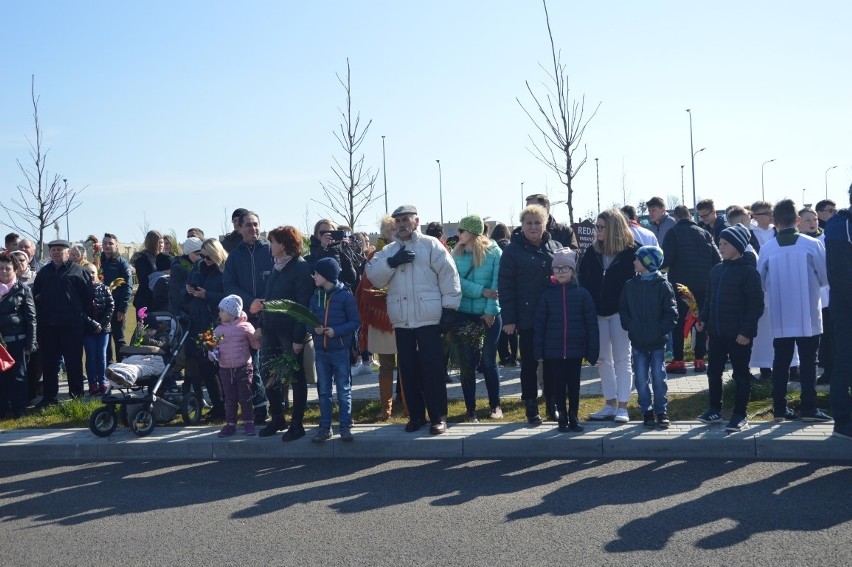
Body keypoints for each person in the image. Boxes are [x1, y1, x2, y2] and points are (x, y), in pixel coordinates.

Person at [365, 204, 461, 435]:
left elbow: (449, 276)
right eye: (398, 221)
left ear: (416, 221)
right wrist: (392, 262)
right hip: (402, 320)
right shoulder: (389, 251)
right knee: (407, 371)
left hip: (428, 319)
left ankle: (438, 416)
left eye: (406, 219)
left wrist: (449, 308)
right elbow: (373, 277)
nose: (402, 224)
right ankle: (416, 416)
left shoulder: (431, 245)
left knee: (433, 370)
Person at [757, 199, 831, 422]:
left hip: (780, 315)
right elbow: (825, 278)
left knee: (781, 362)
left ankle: (780, 408)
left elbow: (760, 281)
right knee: (810, 362)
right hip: (808, 313)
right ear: (798, 220)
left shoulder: (767, 248)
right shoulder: (812, 244)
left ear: (774, 221)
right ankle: (809, 408)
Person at [695, 225, 764, 430]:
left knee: (741, 375)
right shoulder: (716, 270)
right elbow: (709, 299)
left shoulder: (749, 272)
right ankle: (714, 409)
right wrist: (703, 319)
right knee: (713, 372)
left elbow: (756, 305)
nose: (720, 247)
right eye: (720, 244)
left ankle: (740, 414)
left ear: (738, 245)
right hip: (716, 333)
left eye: (725, 244)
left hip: (738, 336)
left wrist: (746, 332)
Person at [498, 204, 562, 424]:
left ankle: (551, 404)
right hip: (527, 318)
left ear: (545, 225)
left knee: (553, 363)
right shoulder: (512, 251)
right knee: (529, 365)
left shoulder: (555, 247)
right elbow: (505, 286)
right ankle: (531, 407)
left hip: (554, 318)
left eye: (538, 223)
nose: (533, 227)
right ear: (522, 225)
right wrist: (509, 319)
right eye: (529, 223)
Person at [579, 209, 639, 423]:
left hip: (621, 313)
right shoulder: (592, 252)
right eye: (596, 227)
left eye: (601, 227)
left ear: (613, 228)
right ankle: (610, 404)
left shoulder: (632, 252)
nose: (597, 231)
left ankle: (623, 406)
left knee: (623, 358)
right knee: (603, 359)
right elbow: (582, 280)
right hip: (597, 313)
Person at [254, 226, 313, 440]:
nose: (270, 246)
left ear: (284, 245)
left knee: (295, 377)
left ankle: (297, 423)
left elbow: (302, 306)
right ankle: (277, 418)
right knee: (269, 373)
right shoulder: (277, 266)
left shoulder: (300, 268)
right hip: (270, 329)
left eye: (272, 242)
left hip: (290, 333)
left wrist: (299, 338)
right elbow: (268, 299)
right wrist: (261, 324)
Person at [534, 248, 598, 432]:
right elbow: (540, 324)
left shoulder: (582, 294)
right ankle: (562, 415)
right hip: (553, 350)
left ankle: (574, 416)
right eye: (557, 268)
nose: (561, 272)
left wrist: (592, 350)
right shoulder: (547, 295)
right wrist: (538, 350)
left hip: (575, 349)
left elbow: (591, 324)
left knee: (574, 385)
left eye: (565, 268)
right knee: (558, 385)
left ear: (573, 271)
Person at [619, 245, 678, 428]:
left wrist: (659, 329)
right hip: (638, 342)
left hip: (657, 342)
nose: (634, 262)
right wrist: (631, 326)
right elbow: (624, 309)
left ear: (648, 263)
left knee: (659, 376)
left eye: (638, 259)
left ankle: (661, 410)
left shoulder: (663, 286)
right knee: (641, 378)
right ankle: (647, 410)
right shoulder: (630, 286)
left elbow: (672, 314)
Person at [452, 214, 503, 421]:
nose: (458, 234)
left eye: (461, 231)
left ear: (472, 232)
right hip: (464, 314)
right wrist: (482, 291)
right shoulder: (455, 253)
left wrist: (490, 311)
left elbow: (498, 285)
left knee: (489, 361)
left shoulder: (494, 252)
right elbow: (456, 284)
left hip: (489, 315)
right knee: (467, 364)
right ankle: (470, 409)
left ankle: (495, 406)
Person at [223, 210, 271, 424]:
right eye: (248, 225)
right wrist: (249, 301)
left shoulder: (270, 250)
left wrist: (264, 302)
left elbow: (278, 278)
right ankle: (260, 408)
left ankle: (278, 405)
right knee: (253, 365)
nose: (253, 229)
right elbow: (229, 285)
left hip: (270, 315)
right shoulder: (235, 255)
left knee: (272, 363)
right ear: (239, 228)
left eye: (256, 224)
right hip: (246, 319)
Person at [661, 205, 721, 374]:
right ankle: (699, 360)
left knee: (679, 321)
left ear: (676, 218)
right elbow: (717, 258)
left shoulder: (673, 233)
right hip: (703, 285)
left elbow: (667, 259)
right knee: (700, 321)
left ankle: (679, 361)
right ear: (689, 216)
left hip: (681, 286)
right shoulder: (704, 233)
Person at [355, 216, 404, 421]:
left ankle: (408, 405)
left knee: (407, 365)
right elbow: (367, 288)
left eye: (398, 229)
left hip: (403, 315)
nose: (396, 233)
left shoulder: (408, 252)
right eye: (393, 230)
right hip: (382, 320)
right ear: (385, 232)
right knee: (385, 366)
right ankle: (386, 408)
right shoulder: (375, 256)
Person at [32, 239, 92, 406]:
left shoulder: (79, 271)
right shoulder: (44, 272)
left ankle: (77, 397)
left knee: (73, 362)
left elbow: (88, 297)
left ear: (67, 252)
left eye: (59, 250)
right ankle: (49, 398)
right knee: (49, 363)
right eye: (53, 250)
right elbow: (36, 296)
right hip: (49, 326)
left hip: (71, 325)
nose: (56, 253)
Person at [308, 257, 360, 443]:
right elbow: (308, 319)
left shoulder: (345, 296)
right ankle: (325, 427)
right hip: (321, 352)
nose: (313, 276)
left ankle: (345, 426)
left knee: (343, 389)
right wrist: (313, 329)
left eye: (317, 273)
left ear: (327, 275)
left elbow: (355, 322)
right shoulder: (315, 296)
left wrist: (336, 332)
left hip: (339, 350)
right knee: (324, 391)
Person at [185, 238, 228, 421]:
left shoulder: (225, 270)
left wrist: (206, 295)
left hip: (215, 322)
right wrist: (188, 289)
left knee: (215, 366)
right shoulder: (199, 267)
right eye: (202, 256)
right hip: (198, 321)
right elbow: (188, 288)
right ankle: (218, 405)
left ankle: (224, 406)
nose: (205, 259)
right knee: (205, 367)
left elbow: (228, 298)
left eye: (209, 256)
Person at [211, 295, 260, 437]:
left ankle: (248, 422)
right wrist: (212, 353)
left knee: (246, 396)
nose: (219, 313)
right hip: (225, 368)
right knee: (230, 397)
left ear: (231, 313)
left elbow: (255, 344)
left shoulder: (245, 327)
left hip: (243, 367)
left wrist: (258, 338)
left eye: (222, 311)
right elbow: (214, 347)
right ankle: (230, 423)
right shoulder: (218, 330)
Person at [825, 184, 852, 440]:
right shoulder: (840, 225)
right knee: (846, 362)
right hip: (846, 308)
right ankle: (843, 423)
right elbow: (841, 275)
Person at [798, 208, 833, 385]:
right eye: (808, 220)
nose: (813, 223)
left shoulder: (826, 238)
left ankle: (828, 369)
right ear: (798, 222)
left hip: (826, 295)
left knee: (827, 335)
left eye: (815, 219)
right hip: (804, 296)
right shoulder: (795, 242)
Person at [0, 252, 36, 418]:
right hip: (1, 343)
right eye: (0, 269)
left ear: (15, 270)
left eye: (8, 268)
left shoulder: (23, 289)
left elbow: (31, 319)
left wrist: (30, 344)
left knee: (18, 377)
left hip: (17, 342)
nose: (4, 272)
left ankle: (19, 410)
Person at [99, 233, 133, 363]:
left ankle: (121, 366)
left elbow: (128, 287)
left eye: (110, 243)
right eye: (105, 243)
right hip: (102, 308)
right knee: (104, 338)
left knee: (119, 338)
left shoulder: (122, 263)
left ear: (117, 246)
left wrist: (122, 309)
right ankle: (108, 366)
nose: (107, 246)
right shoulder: (99, 261)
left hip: (117, 307)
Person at [81, 263, 114, 396]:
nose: (91, 275)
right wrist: (93, 324)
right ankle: (92, 383)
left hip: (104, 329)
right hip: (88, 330)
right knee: (91, 357)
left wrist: (102, 324)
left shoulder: (105, 288)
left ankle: (103, 382)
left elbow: (110, 307)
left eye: (93, 272)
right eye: (88, 273)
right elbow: (80, 311)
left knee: (102, 355)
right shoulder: (81, 291)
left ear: (97, 274)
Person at [490, 222, 517, 367]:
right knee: (512, 327)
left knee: (501, 327)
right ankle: (514, 355)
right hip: (511, 290)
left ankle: (504, 356)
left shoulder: (493, 247)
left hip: (497, 289)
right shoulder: (511, 246)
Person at [306, 219, 358, 289]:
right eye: (323, 233)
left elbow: (351, 278)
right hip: (319, 296)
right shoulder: (309, 257)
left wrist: (344, 254)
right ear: (316, 235)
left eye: (331, 233)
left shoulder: (340, 251)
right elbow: (313, 275)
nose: (327, 235)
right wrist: (322, 248)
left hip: (340, 294)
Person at [132, 230, 169, 311]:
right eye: (159, 242)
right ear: (152, 243)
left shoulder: (163, 258)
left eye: (162, 242)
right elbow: (144, 280)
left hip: (159, 299)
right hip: (145, 300)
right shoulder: (142, 259)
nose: (161, 245)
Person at [168, 237, 203, 317]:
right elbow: (177, 295)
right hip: (182, 313)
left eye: (202, 254)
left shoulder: (197, 265)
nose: (200, 257)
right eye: (197, 254)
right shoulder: (178, 268)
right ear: (188, 253)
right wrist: (188, 290)